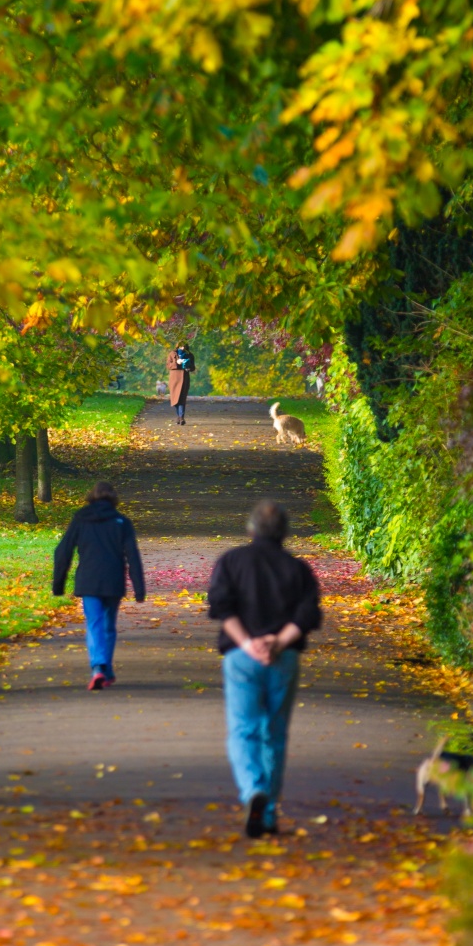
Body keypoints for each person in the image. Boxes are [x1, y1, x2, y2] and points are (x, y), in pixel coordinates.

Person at [207, 500, 322, 837]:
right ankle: (268, 812)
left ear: (251, 529)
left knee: (243, 730)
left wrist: (248, 643)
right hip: (283, 659)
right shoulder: (298, 569)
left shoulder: (231, 562)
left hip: (241, 659)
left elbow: (221, 607)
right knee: (275, 733)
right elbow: (307, 616)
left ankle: (252, 789)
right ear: (285, 532)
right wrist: (277, 642)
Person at [52, 481, 146, 691]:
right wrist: (139, 589)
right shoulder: (121, 521)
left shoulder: (81, 518)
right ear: (113, 498)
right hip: (113, 580)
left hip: (88, 580)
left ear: (91, 496)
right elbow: (133, 556)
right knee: (108, 625)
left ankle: (98, 667)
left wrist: (58, 584)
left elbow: (63, 551)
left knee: (94, 623)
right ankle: (106, 668)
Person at [166, 342, 195, 425]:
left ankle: (181, 418)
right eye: (181, 346)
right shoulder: (172, 354)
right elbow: (168, 365)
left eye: (184, 347)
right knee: (175, 399)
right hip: (174, 379)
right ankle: (179, 416)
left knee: (182, 398)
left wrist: (188, 367)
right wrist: (177, 363)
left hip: (184, 379)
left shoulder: (190, 355)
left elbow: (193, 367)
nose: (182, 348)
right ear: (178, 346)